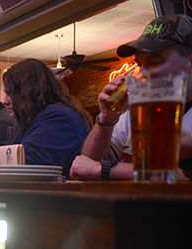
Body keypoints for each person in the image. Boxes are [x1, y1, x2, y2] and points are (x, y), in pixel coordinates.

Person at [70, 14, 192, 180]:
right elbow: (87, 165)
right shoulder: (136, 109)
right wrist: (106, 118)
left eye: (154, 62)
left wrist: (105, 170)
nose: (141, 73)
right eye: (139, 64)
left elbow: (183, 179)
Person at [2, 58, 91, 177]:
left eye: (10, 93)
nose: (5, 101)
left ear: (29, 91)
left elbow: (24, 163)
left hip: (68, 194)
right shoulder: (32, 121)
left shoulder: (58, 118)